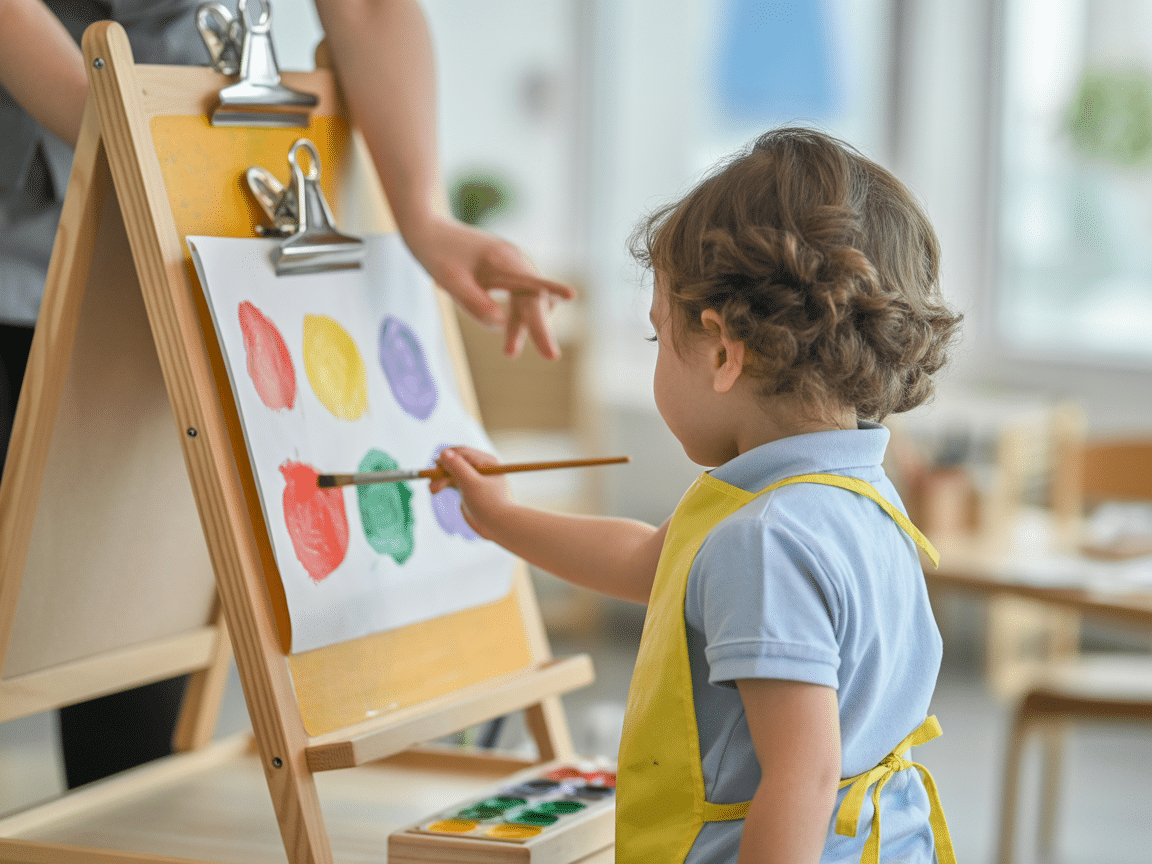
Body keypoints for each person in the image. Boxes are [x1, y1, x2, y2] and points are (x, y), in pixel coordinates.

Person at [0, 0, 571, 787]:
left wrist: (424, 214)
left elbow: (369, 10)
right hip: (67, 190)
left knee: (127, 632)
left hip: (176, 222)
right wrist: (139, 146)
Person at [433, 127, 964, 864]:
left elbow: (801, 776)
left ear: (721, 349)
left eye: (658, 337)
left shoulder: (769, 538)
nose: (657, 356)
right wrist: (501, 518)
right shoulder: (858, 496)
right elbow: (650, 561)